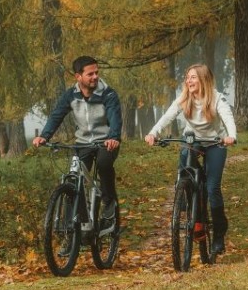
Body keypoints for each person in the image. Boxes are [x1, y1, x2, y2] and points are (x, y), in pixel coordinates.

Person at [145, 63, 237, 255]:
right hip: (193, 140)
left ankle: (219, 234)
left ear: (203, 79)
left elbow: (228, 118)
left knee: (212, 188)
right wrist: (153, 133)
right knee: (185, 162)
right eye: (187, 77)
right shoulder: (184, 98)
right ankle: (185, 195)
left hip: (215, 142)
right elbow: (168, 116)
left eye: (193, 77)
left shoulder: (217, 98)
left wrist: (231, 136)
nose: (189, 81)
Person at [33, 55, 123, 234]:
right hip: (82, 143)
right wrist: (44, 136)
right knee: (74, 179)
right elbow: (57, 115)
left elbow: (115, 118)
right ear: (78, 77)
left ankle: (108, 204)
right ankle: (73, 229)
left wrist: (113, 137)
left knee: (104, 164)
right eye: (90, 74)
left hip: (106, 142)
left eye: (97, 73)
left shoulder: (108, 94)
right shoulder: (71, 95)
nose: (95, 77)